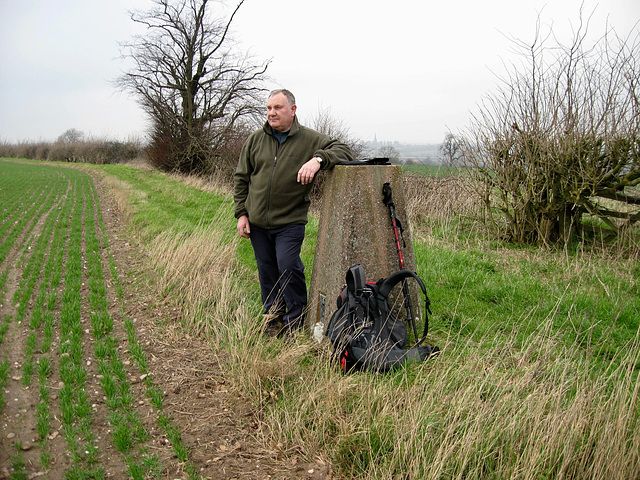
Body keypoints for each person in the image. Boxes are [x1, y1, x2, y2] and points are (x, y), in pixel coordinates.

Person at [234, 89, 354, 336]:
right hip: (257, 221)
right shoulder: (256, 140)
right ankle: (273, 317)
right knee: (266, 269)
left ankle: (296, 320)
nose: (271, 113)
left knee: (288, 266)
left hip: (290, 220)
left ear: (293, 110)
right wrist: (241, 214)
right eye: (268, 108)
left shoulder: (309, 139)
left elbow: (343, 150)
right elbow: (241, 178)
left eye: (277, 107)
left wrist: (318, 160)